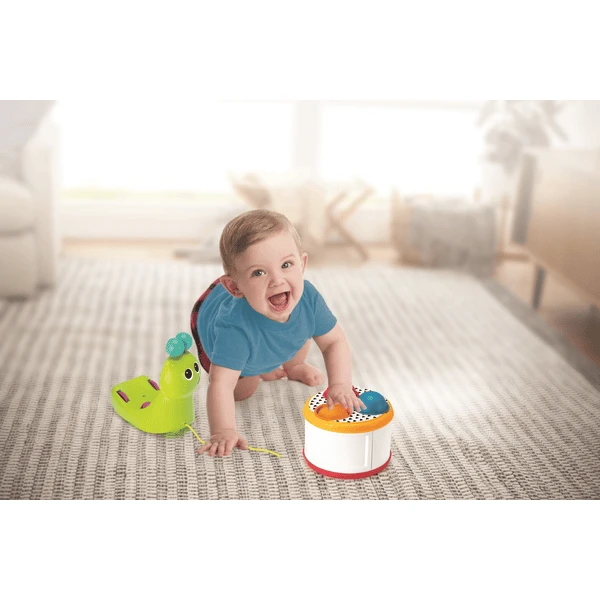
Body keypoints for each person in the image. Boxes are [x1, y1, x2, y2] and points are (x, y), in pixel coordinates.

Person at [190, 208, 365, 458]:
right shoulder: (233, 328)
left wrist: (340, 385)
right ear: (235, 287)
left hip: (270, 332)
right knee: (243, 390)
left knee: (301, 328)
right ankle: (259, 368)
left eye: (286, 265)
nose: (277, 280)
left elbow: (334, 342)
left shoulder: (307, 297)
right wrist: (223, 430)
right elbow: (221, 384)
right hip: (212, 320)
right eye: (258, 272)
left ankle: (293, 366)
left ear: (302, 265)